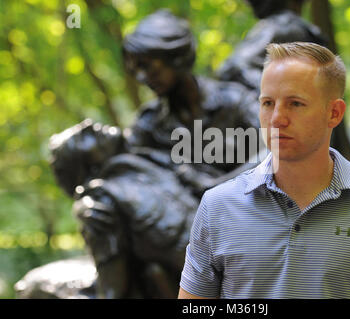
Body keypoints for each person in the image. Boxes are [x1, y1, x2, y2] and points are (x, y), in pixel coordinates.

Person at [178, 42, 350, 298]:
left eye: (295, 104)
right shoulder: (217, 206)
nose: (277, 118)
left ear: (334, 113)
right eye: (267, 103)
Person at [49, 9, 260, 298]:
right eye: (135, 69)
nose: (141, 76)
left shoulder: (235, 101)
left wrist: (218, 187)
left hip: (249, 220)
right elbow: (125, 175)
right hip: (186, 236)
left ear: (175, 55)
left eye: (148, 66)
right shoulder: (147, 124)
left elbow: (276, 154)